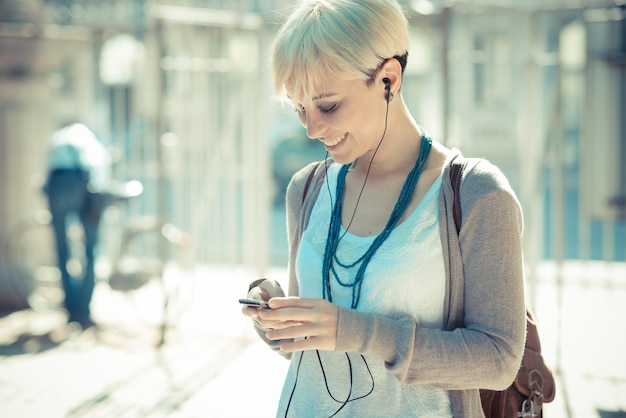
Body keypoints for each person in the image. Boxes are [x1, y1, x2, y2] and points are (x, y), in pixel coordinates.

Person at [241, 1, 526, 416]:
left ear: (388, 78)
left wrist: (354, 330)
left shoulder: (476, 194)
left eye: (328, 105)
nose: (311, 128)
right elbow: (308, 352)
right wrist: (276, 314)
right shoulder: (307, 188)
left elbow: (499, 361)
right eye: (300, 108)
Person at [44, 122, 111, 329]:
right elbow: (100, 174)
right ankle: (84, 309)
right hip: (84, 188)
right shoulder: (90, 140)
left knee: (62, 249)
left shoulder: (58, 140)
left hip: (56, 189)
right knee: (90, 250)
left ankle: (71, 308)